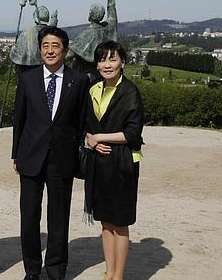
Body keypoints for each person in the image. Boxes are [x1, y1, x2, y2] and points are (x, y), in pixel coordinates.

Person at [12, 26, 90, 280]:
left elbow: (81, 121)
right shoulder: (28, 78)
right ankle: (32, 270)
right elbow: (20, 119)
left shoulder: (78, 81)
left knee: (59, 220)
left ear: (65, 51)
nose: (49, 50)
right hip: (30, 158)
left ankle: (56, 271)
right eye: (45, 45)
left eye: (55, 45)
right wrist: (16, 155)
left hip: (62, 159)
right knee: (29, 219)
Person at [84, 41, 144, 280]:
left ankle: (118, 276)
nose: (106, 64)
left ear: (123, 62)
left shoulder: (130, 91)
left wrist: (99, 136)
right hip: (99, 162)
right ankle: (109, 272)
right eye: (102, 60)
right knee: (105, 222)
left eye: (112, 59)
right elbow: (86, 125)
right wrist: (91, 139)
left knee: (120, 222)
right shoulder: (93, 89)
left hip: (123, 163)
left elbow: (132, 133)